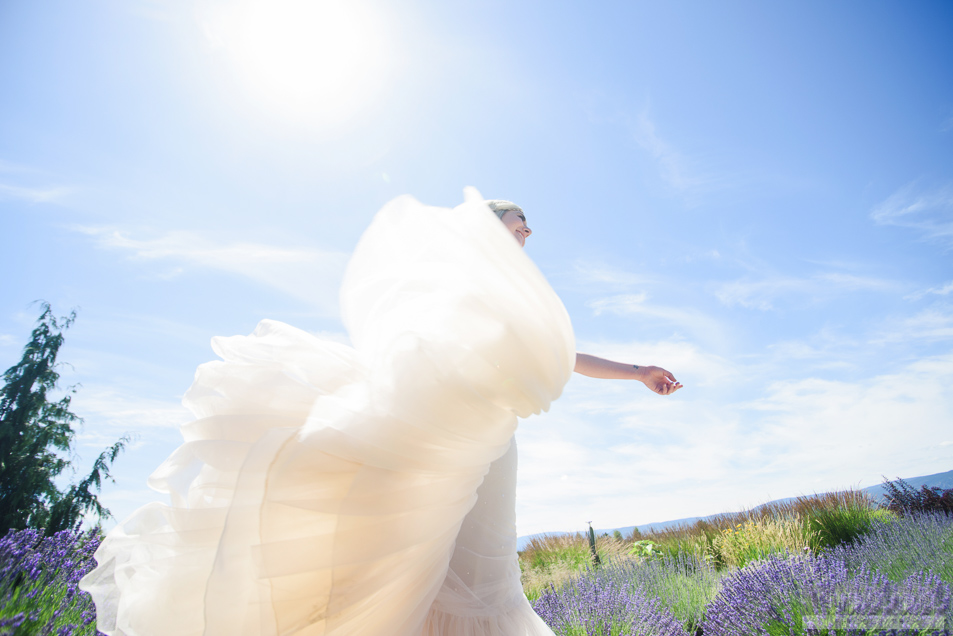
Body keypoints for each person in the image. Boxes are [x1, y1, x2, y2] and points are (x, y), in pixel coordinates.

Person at [80, 189, 681, 636]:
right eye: (519, 226)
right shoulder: (461, 291)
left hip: (492, 443)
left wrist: (635, 371)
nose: (527, 236)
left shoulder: (518, 300)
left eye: (527, 230)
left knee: (480, 572)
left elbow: (566, 356)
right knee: (450, 573)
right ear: (485, 231)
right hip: (454, 444)